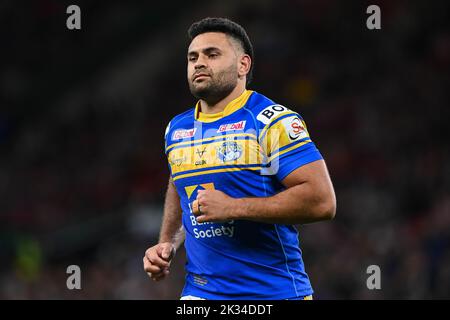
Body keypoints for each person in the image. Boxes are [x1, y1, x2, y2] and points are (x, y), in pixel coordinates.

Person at [143, 17, 336, 300]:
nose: (198, 63)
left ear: (243, 65)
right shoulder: (177, 128)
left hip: (274, 293)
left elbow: (322, 201)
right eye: (192, 57)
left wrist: (234, 207)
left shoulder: (270, 122)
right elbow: (179, 185)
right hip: (201, 293)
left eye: (212, 54)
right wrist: (167, 243)